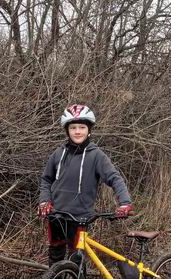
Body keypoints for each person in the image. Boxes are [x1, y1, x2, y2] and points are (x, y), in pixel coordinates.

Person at [38, 104, 133, 267]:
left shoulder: (96, 156)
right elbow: (46, 179)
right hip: (56, 215)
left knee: (77, 260)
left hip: (80, 218)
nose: (77, 131)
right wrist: (44, 200)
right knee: (55, 257)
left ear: (89, 130)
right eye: (73, 127)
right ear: (67, 130)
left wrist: (125, 203)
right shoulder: (58, 154)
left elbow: (115, 178)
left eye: (82, 127)